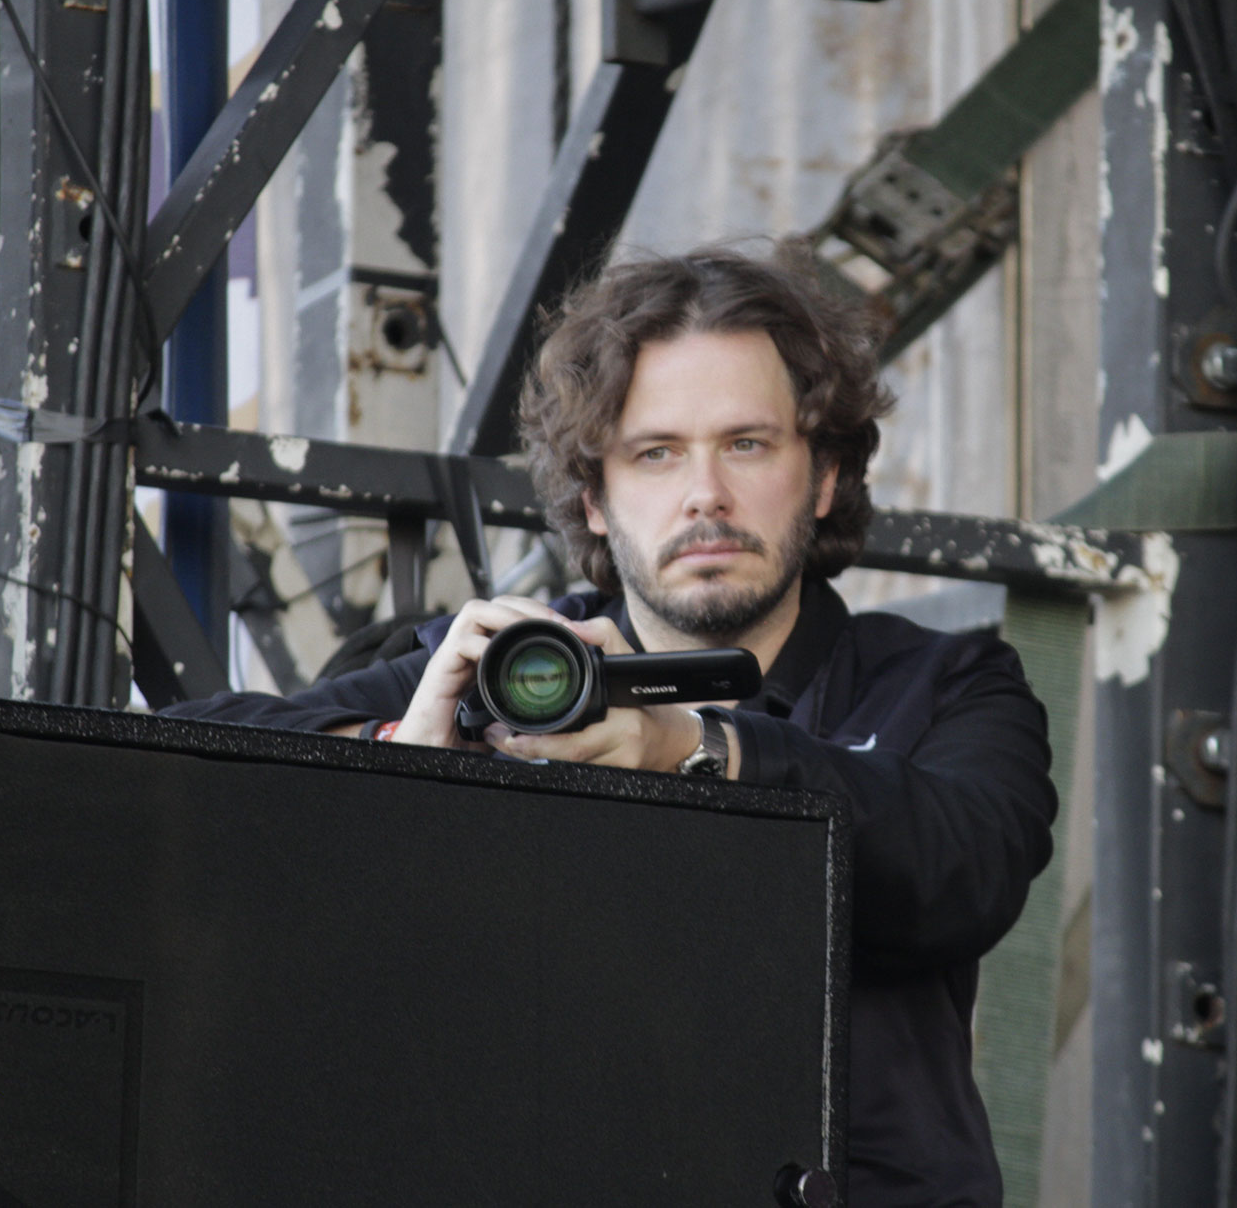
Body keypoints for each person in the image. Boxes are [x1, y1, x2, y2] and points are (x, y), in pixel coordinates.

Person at [164, 244, 1058, 1206]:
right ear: (595, 495)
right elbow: (175, 775)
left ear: (827, 475)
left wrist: (701, 749)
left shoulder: (944, 682)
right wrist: (399, 766)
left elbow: (967, 867)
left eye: (747, 444)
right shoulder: (506, 671)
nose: (704, 492)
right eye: (656, 451)